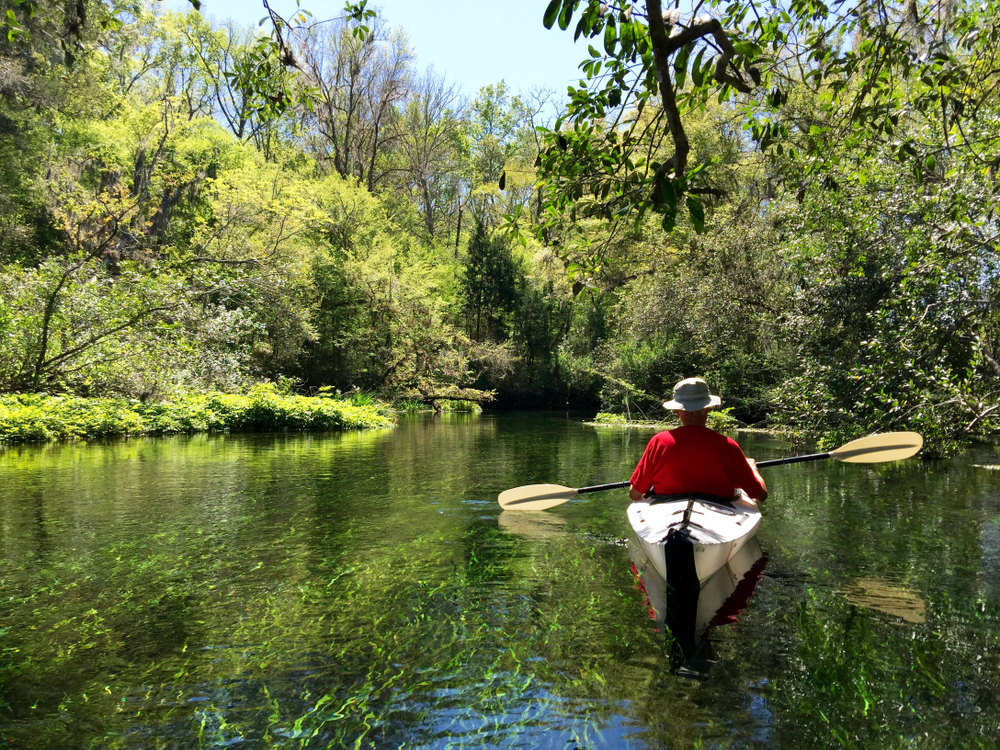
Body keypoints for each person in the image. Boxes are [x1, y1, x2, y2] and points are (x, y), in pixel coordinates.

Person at [628, 377, 767, 504]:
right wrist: (752, 468)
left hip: (667, 506)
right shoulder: (729, 445)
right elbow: (760, 495)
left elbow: (635, 494)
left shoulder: (658, 442)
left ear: (677, 411)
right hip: (720, 508)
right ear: (707, 409)